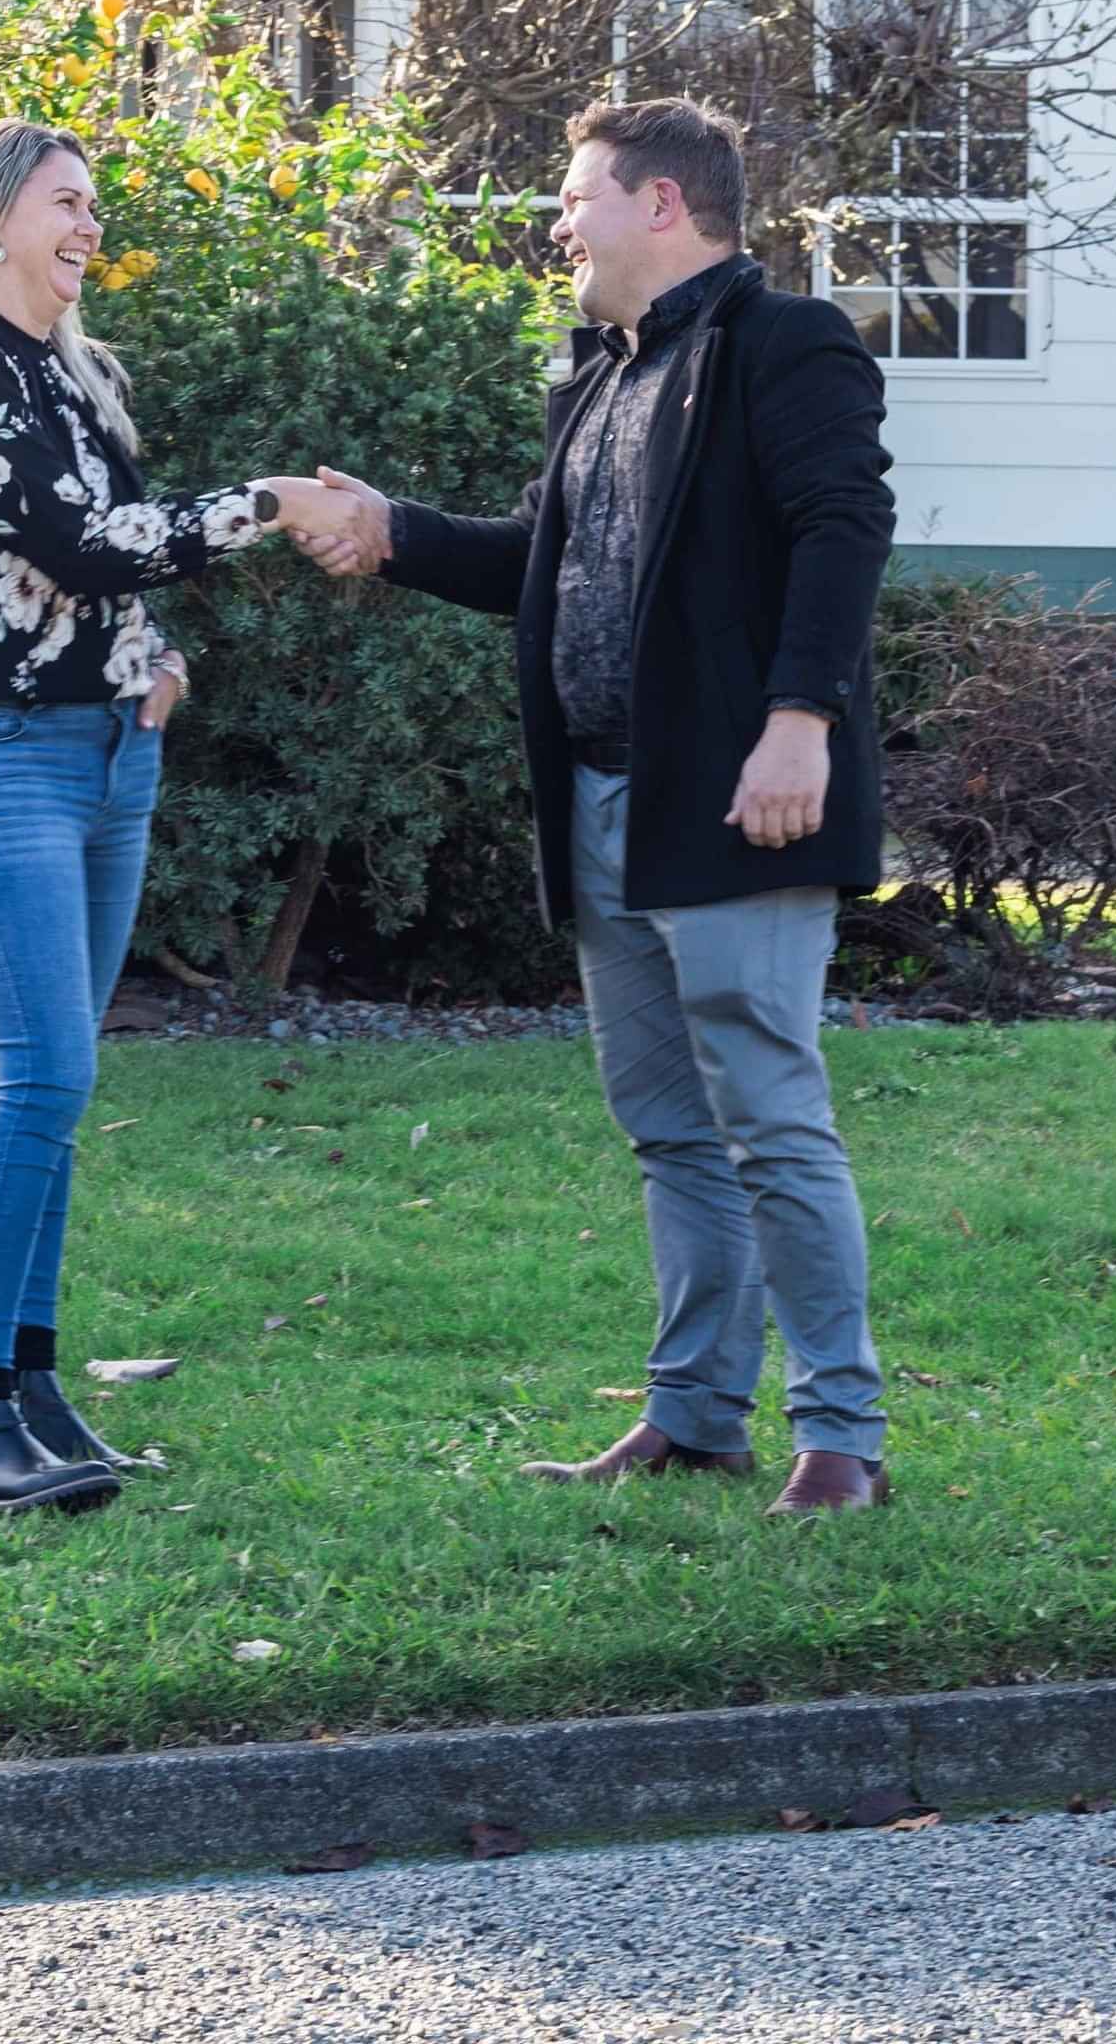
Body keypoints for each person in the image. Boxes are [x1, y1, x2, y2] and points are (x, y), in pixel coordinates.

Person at [260, 98, 899, 1513]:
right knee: (671, 1126)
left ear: (661, 204)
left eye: (577, 198)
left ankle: (841, 1440)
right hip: (612, 797)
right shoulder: (601, 380)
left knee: (771, 1118)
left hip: (743, 802)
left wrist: (802, 725)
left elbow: (843, 533)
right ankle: (695, 1418)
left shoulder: (783, 346)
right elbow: (548, 570)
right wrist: (391, 531)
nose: (559, 223)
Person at [0, 117, 281, 1514]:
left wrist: (156, 665)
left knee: (65, 1083)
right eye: (66, 203)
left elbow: (104, 582)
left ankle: (33, 1396)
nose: (90, 225)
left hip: (105, 758)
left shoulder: (72, 376)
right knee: (37, 1076)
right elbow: (78, 542)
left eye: (96, 205)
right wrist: (265, 504)